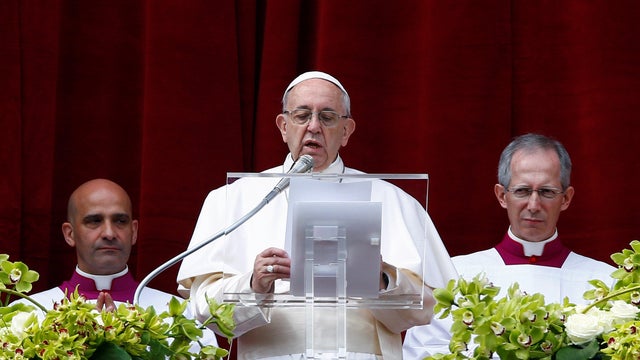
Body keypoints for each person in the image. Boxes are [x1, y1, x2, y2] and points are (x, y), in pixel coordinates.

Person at [176, 71, 458, 359]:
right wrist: (253, 285)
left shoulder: (393, 199)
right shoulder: (232, 199)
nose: (313, 127)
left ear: (346, 130)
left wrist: (381, 279)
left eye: (327, 117)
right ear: (283, 126)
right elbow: (202, 309)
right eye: (301, 115)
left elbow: (429, 307)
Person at [402, 133, 617, 359]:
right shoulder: (454, 275)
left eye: (547, 192)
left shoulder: (606, 281)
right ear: (502, 195)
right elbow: (423, 352)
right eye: (522, 191)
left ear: (566, 198)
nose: (534, 205)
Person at [12, 179, 217, 347]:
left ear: (134, 231)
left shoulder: (184, 317)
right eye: (94, 221)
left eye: (120, 221)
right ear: (70, 233)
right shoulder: (26, 314)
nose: (109, 233)